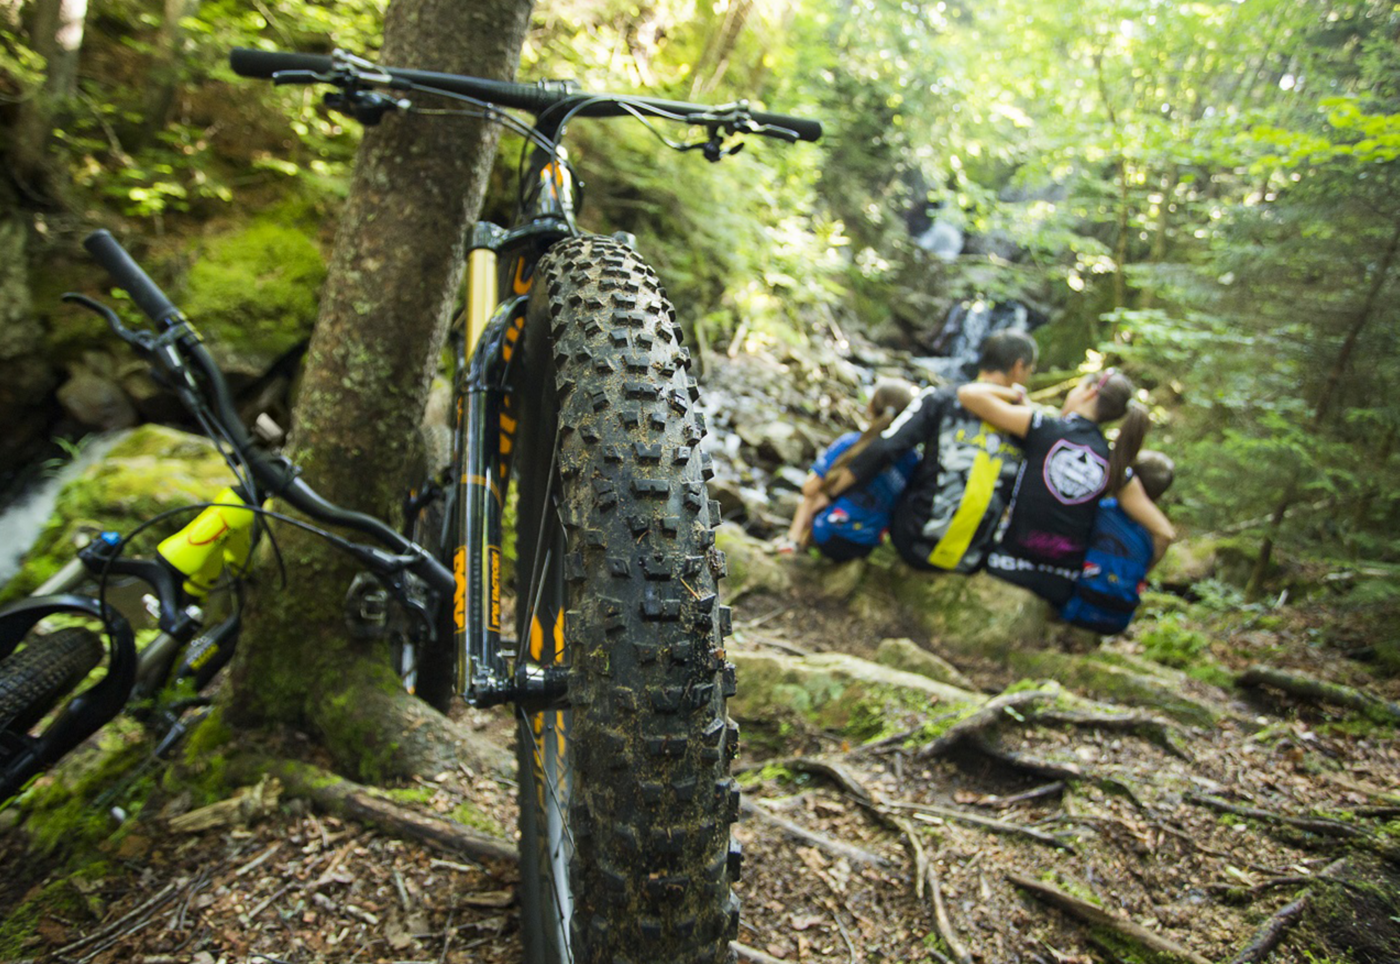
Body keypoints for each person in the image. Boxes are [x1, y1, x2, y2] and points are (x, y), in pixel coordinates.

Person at [822, 330, 1038, 574]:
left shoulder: (942, 399)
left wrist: (830, 493)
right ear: (1019, 367)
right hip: (972, 557)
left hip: (913, 543)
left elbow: (887, 447)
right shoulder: (1027, 424)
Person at [957, 368, 1175, 606]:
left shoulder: (1043, 427)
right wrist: (1136, 574)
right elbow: (1164, 533)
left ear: (1090, 392)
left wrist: (1013, 393)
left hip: (1007, 566)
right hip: (1061, 586)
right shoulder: (1115, 464)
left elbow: (968, 394)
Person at [778, 380, 916, 560]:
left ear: (871, 407)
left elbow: (809, 488)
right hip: (867, 545)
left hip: (829, 535)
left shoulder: (851, 443)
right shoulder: (911, 460)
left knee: (814, 493)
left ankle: (793, 541)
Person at [1059, 450, 1176, 633]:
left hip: (1073, 604)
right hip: (1118, 618)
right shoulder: (1153, 532)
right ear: (1160, 495)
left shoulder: (1100, 510)